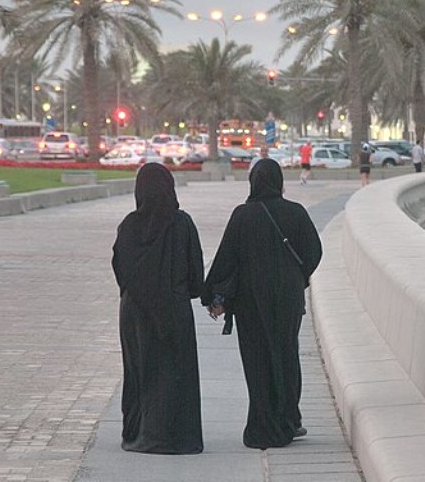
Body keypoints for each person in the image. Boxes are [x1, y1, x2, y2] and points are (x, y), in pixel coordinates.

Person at [203, 159, 323, 449]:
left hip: (251, 301)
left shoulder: (242, 216)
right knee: (286, 355)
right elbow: (314, 251)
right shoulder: (296, 212)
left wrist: (213, 296)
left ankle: (262, 424)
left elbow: (226, 259)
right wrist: (297, 278)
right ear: (279, 182)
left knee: (257, 359)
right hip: (287, 299)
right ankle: (289, 419)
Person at [111, 163, 204, 455]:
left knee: (140, 370)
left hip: (135, 312)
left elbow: (120, 268)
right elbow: (195, 272)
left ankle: (140, 432)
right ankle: (174, 436)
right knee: (175, 372)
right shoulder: (182, 223)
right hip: (173, 308)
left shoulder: (129, 225)